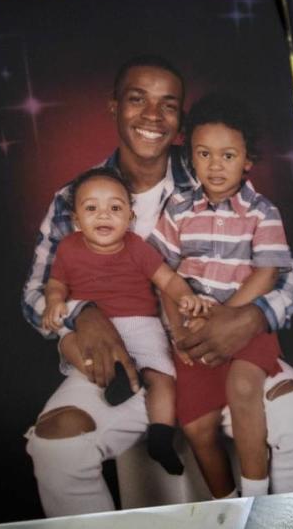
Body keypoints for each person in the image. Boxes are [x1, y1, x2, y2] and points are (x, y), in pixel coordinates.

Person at [23, 55, 293, 517]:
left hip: (221, 354)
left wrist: (246, 319)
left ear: (180, 121)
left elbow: (288, 275)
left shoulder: (215, 175)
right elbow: (35, 296)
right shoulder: (78, 196)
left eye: (167, 105)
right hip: (127, 361)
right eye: (137, 100)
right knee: (57, 448)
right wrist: (81, 314)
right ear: (113, 108)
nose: (152, 115)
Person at [149, 93, 292, 499]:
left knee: (244, 388)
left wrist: (226, 316)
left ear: (247, 161)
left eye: (228, 156)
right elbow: (162, 273)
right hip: (191, 329)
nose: (215, 165)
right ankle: (228, 506)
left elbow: (267, 271)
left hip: (243, 325)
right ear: (191, 157)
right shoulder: (177, 209)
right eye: (204, 154)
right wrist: (179, 330)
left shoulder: (263, 212)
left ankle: (256, 495)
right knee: (196, 426)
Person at [42, 167, 208, 475]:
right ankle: (115, 378)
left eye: (115, 208)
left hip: (141, 324)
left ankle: (160, 436)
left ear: (129, 216)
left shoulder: (136, 247)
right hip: (95, 326)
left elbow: (167, 279)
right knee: (72, 348)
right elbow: (56, 284)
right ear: (77, 220)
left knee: (161, 377)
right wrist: (54, 301)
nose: (103, 215)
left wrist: (186, 296)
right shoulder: (68, 248)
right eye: (91, 208)